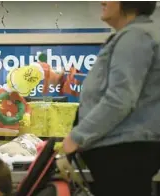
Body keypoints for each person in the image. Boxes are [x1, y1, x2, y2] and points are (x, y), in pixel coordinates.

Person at [63, 2, 160, 196]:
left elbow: (119, 99)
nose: (103, 2)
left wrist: (77, 137)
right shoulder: (135, 35)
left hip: (123, 155)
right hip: (123, 154)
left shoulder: (135, 37)